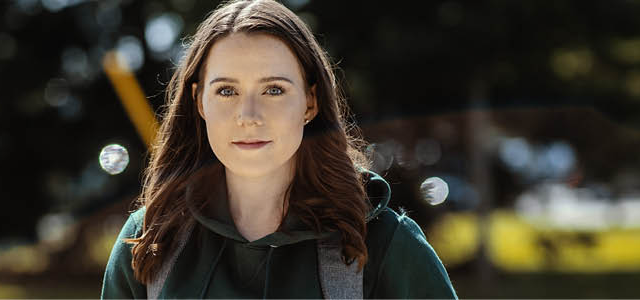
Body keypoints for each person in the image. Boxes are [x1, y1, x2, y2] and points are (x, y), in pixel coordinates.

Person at [101, 0, 457, 298]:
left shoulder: (386, 245)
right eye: (226, 91)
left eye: (274, 90)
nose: (249, 116)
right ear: (199, 102)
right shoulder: (148, 242)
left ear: (310, 103)